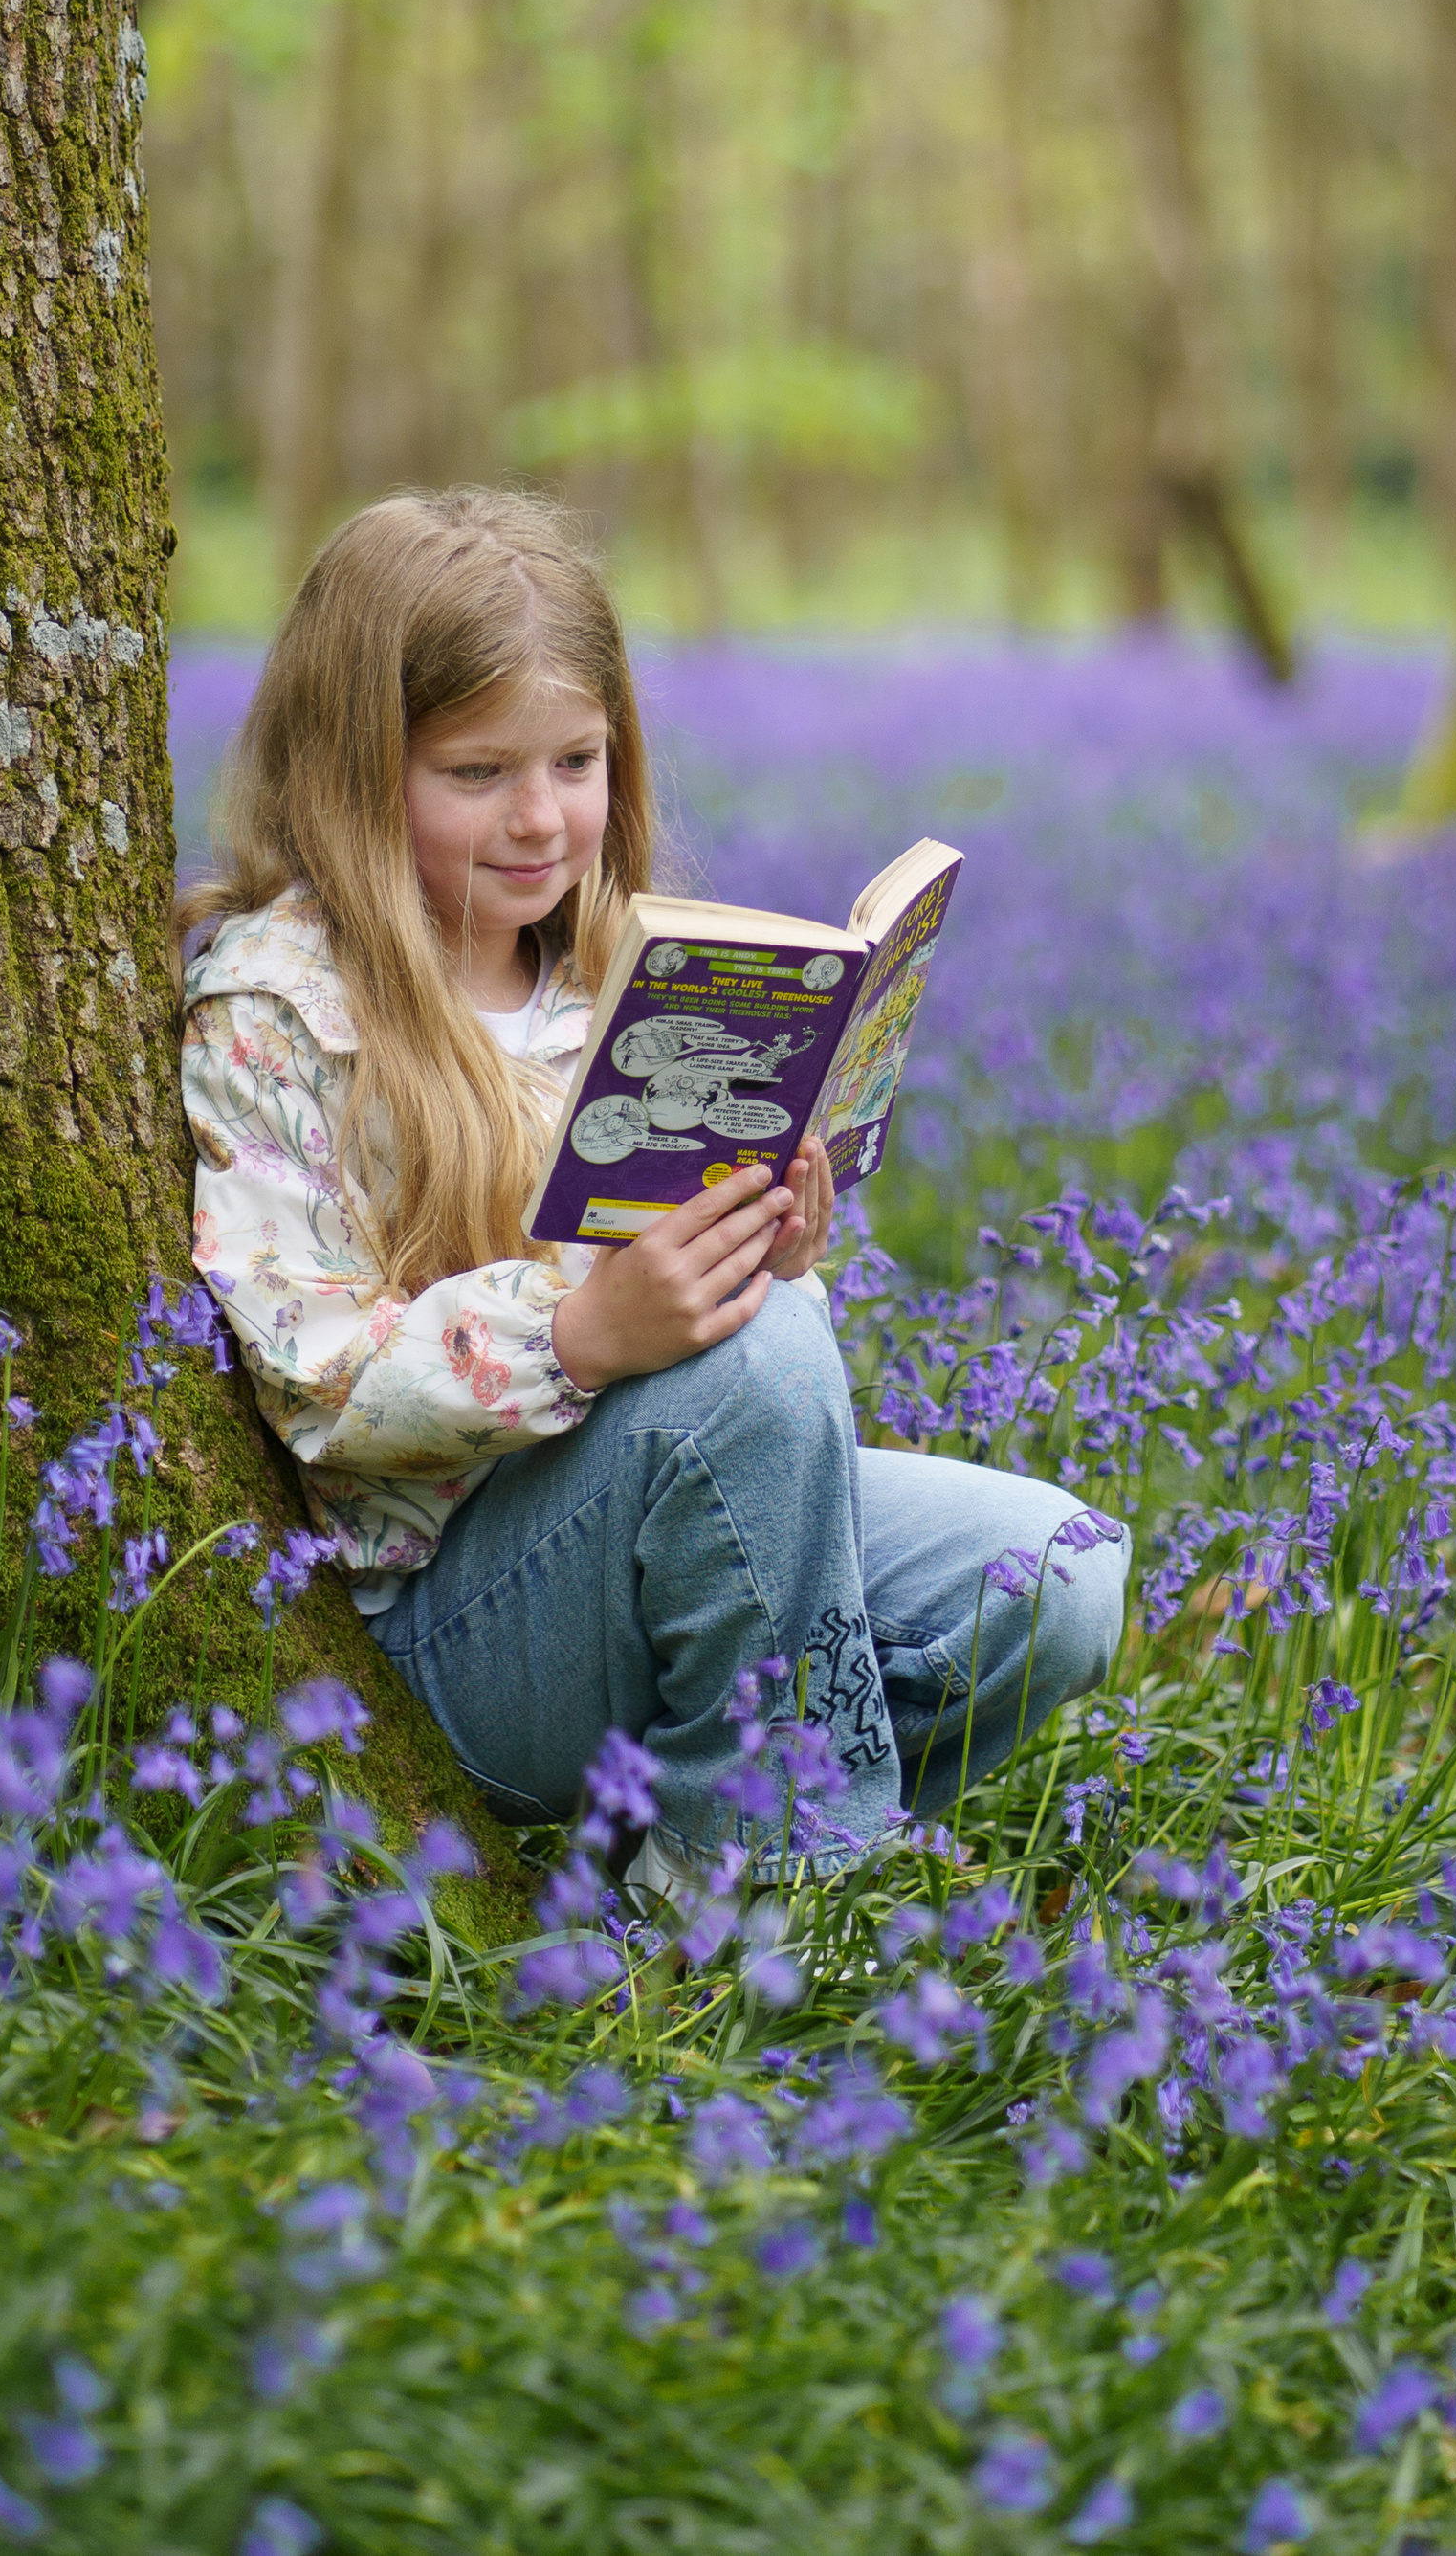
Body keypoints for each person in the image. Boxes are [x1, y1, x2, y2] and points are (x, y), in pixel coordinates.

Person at [176, 487, 1124, 1896]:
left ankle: (676, 1836)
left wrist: (769, 1245)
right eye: (477, 772)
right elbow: (315, 1386)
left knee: (1057, 1574)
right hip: (448, 1612)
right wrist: (579, 1338)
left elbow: (712, 1374)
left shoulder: (623, 965)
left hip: (651, 1537)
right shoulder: (279, 1012)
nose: (541, 819)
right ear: (352, 770)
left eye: (577, 760)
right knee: (766, 1363)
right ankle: (744, 1913)